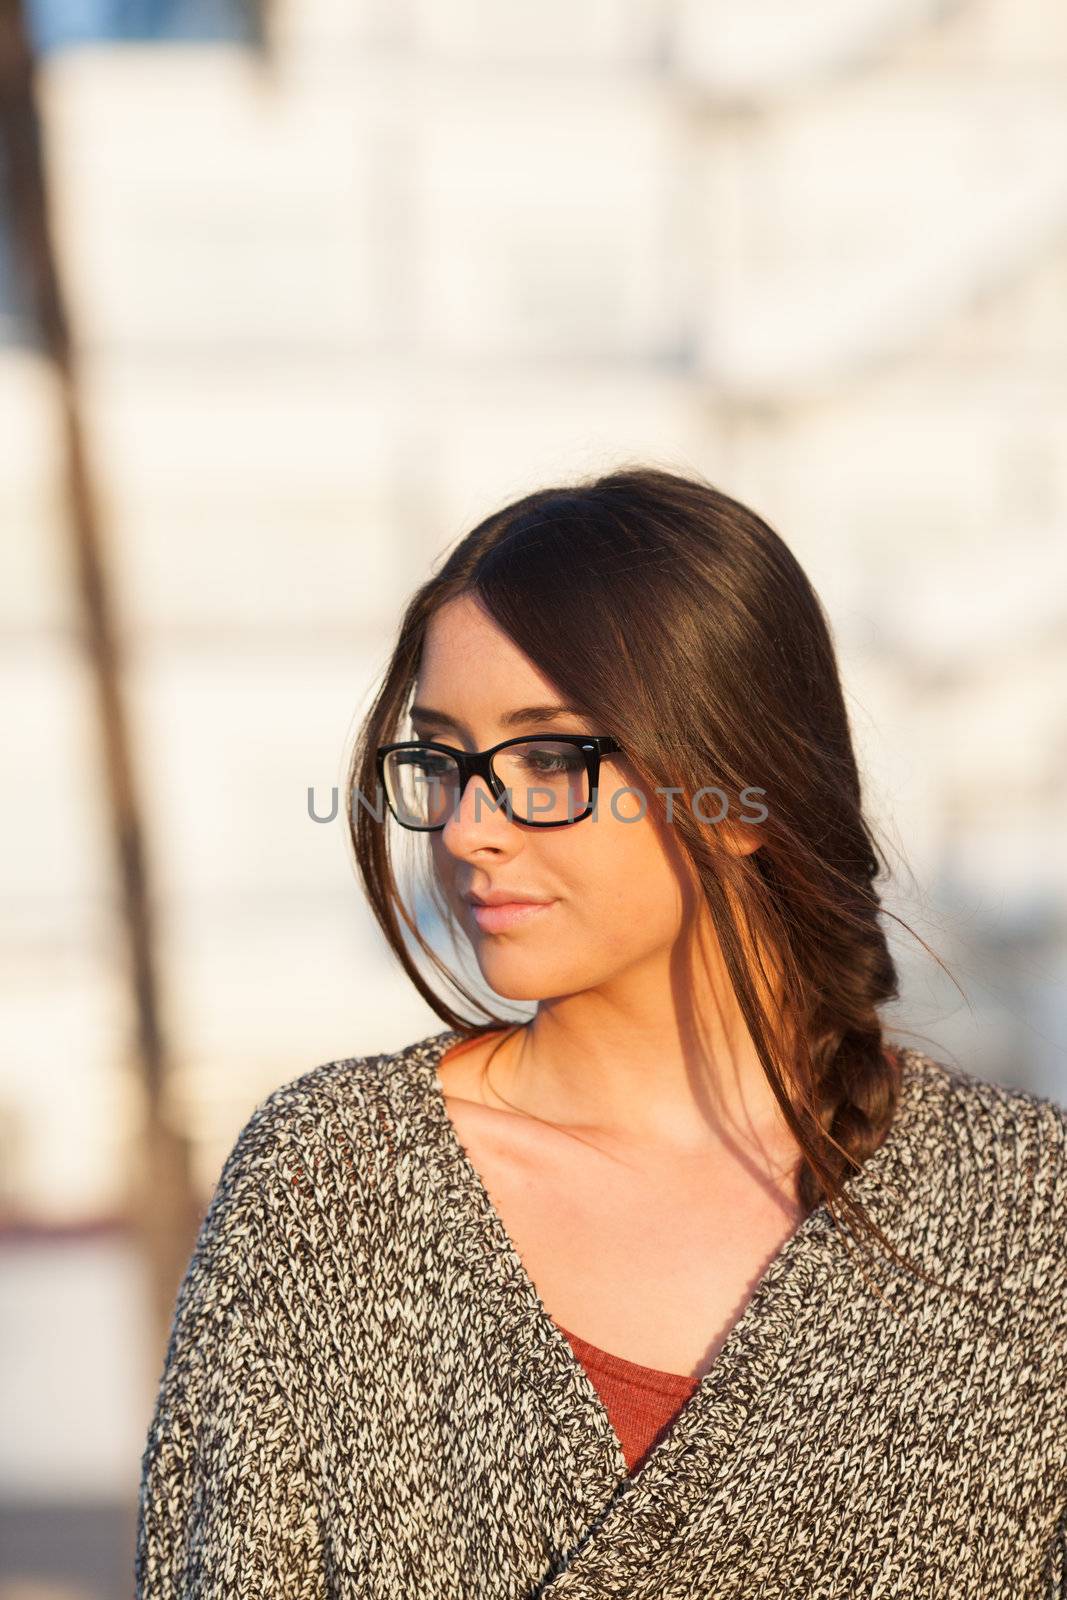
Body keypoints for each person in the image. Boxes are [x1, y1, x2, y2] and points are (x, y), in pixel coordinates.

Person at [135, 467, 1067, 1598]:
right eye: (439, 757)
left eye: (547, 758)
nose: (468, 828)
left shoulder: (1021, 1214)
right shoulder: (331, 1183)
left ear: (741, 785)